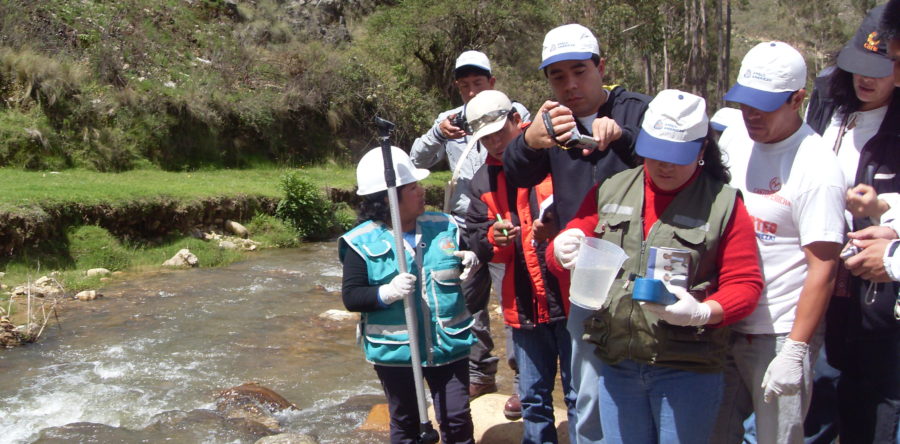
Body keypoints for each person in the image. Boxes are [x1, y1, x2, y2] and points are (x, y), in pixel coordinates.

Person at [546, 89, 762, 442]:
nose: (665, 166)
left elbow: (746, 284)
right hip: (618, 363)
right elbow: (570, 251)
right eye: (656, 153)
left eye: (677, 157)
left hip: (687, 370)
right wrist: (560, 250)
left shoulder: (723, 204)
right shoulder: (612, 189)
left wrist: (704, 312)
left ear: (701, 150)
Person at [502, 23, 650, 443]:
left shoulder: (636, 109)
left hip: (642, 277)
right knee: (585, 392)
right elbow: (518, 172)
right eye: (557, 75)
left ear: (601, 67)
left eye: (579, 71)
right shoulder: (553, 122)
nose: (570, 85)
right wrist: (530, 141)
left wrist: (623, 138)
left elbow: (681, 161)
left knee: (643, 383)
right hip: (581, 278)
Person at [709, 42, 846, 444]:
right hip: (725, 320)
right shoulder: (734, 139)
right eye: (744, 104)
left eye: (763, 107)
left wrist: (796, 350)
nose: (751, 115)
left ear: (797, 99)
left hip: (779, 329)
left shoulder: (816, 166)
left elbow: (823, 267)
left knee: (776, 438)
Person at [410, 50, 530, 408]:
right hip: (464, 225)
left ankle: (525, 381)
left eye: (479, 83)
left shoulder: (514, 112)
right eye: (465, 86)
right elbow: (417, 159)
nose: (472, 92)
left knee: (515, 299)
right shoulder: (450, 122)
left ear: (492, 83)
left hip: (506, 220)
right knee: (467, 301)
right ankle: (480, 374)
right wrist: (437, 132)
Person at [802, 6, 900, 443]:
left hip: (879, 285)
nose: (867, 79)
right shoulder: (826, 99)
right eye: (859, 67)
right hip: (819, 272)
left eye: (881, 70)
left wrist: (883, 209)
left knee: (871, 399)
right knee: (815, 396)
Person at [338, 146, 480, 444]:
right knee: (406, 422)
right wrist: (386, 293)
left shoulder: (444, 226)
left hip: (448, 345)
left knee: (456, 417)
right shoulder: (360, 242)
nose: (422, 192)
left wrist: (471, 256)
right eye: (413, 187)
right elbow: (352, 297)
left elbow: (476, 250)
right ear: (389, 198)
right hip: (396, 353)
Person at [463, 89, 574, 443]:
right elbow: (478, 241)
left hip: (570, 298)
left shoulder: (556, 155)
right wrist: (495, 240)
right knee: (534, 400)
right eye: (486, 137)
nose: (495, 143)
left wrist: (559, 228)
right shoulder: (481, 181)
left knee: (578, 396)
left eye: (499, 132)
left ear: (516, 120)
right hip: (522, 306)